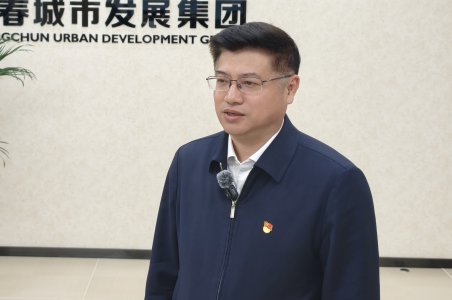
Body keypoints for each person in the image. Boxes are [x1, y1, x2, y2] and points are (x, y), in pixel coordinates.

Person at [145, 22, 380, 300]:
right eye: (222, 81)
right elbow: (164, 271)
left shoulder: (336, 182)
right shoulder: (189, 161)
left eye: (249, 83)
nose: (231, 96)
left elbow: (353, 289)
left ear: (290, 88)